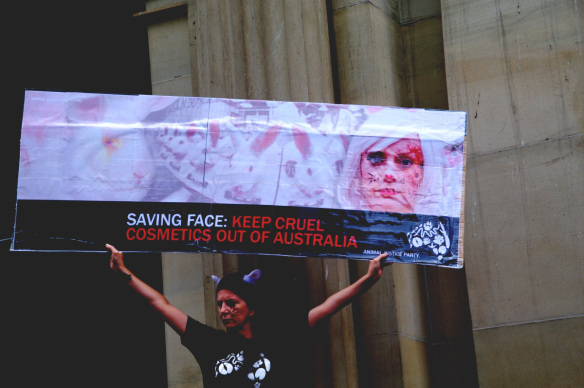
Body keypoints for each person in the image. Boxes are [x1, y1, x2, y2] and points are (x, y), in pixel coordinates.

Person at [106, 244, 388, 387]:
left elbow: (329, 306)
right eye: (220, 305)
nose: (224, 310)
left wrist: (369, 279)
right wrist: (125, 274)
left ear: (251, 307)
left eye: (231, 303)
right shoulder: (209, 343)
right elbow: (161, 304)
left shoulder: (280, 339)